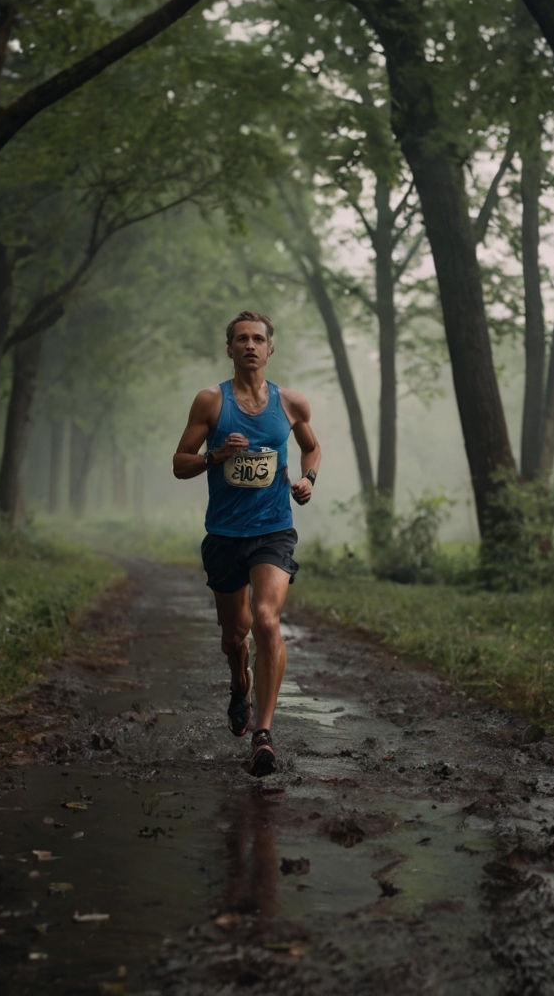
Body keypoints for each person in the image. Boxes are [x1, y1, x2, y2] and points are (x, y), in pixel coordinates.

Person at [173, 311, 320, 777]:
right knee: (234, 635)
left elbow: (311, 447)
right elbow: (179, 463)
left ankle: (263, 733)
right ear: (230, 349)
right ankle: (241, 683)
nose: (250, 345)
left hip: (273, 529)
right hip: (223, 534)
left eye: (258, 338)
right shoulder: (211, 402)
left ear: (271, 348)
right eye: (241, 339)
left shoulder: (292, 403)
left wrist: (308, 479)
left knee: (265, 618)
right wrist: (217, 455)